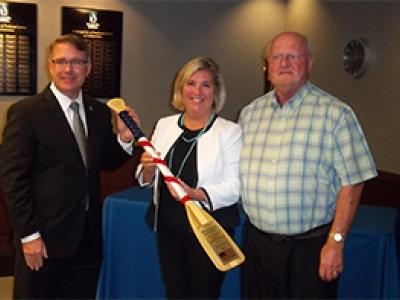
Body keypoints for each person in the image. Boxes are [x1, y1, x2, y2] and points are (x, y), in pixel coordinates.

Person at [239, 31, 377, 299]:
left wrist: (335, 243)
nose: (284, 63)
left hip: (310, 248)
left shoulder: (336, 114)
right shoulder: (249, 114)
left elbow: (354, 182)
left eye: (293, 56)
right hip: (258, 246)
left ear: (310, 63)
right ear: (267, 66)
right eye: (277, 57)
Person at [0, 34, 137, 299]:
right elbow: (13, 180)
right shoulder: (26, 112)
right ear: (50, 66)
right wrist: (29, 236)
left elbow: (108, 161)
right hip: (43, 238)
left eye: (77, 62)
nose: (68, 69)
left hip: (86, 238)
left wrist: (124, 138)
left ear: (88, 68)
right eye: (61, 61)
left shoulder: (98, 112)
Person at [136, 56, 242, 299]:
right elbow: (146, 178)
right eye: (191, 83)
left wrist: (195, 194)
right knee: (175, 292)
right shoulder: (164, 124)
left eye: (206, 85)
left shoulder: (229, 132)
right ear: (180, 89)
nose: (197, 91)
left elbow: (234, 187)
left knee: (203, 294)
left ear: (216, 92)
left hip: (210, 229)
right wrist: (148, 169)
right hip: (169, 229)